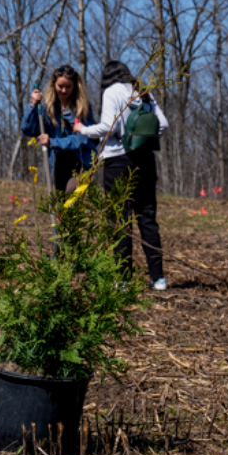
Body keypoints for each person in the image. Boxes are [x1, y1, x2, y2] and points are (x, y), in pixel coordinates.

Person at [74, 60, 170, 292]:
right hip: (146, 160)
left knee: (119, 220)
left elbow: (108, 127)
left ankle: (123, 280)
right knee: (147, 219)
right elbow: (164, 125)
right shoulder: (142, 91)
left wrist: (82, 130)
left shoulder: (111, 92)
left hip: (118, 161)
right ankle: (158, 279)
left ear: (107, 77)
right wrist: (140, 137)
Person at [22, 65, 95, 193]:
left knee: (71, 192)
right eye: (60, 86)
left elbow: (81, 139)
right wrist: (33, 105)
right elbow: (27, 129)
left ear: (75, 86)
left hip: (80, 159)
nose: (64, 90)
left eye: (68, 87)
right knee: (59, 201)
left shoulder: (82, 108)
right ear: (53, 85)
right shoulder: (47, 107)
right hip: (58, 161)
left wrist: (53, 142)